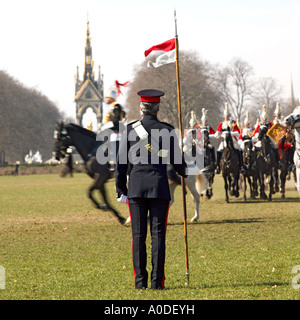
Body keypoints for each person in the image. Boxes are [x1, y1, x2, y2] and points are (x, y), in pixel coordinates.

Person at [115, 89, 187, 290]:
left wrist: (121, 189)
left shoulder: (129, 130)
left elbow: (120, 164)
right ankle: (157, 283)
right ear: (157, 108)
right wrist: (185, 170)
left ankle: (140, 283)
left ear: (141, 108)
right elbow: (178, 163)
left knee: (138, 236)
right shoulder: (167, 129)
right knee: (158, 237)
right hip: (159, 189)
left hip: (136, 189)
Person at [102, 82, 127, 169]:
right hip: (110, 134)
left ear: (111, 98)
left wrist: (104, 127)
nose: (105, 99)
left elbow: (115, 120)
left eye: (107, 98)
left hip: (116, 134)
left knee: (117, 158)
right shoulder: (111, 107)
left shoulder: (116, 107)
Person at [214, 103, 241, 174]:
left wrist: (231, 133)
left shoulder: (233, 122)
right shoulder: (221, 124)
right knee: (218, 150)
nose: (226, 117)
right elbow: (217, 133)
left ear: (229, 115)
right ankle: (218, 167)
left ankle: (241, 166)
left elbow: (238, 132)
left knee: (239, 149)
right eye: (225, 116)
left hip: (232, 140)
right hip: (224, 141)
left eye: (227, 115)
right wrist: (218, 134)